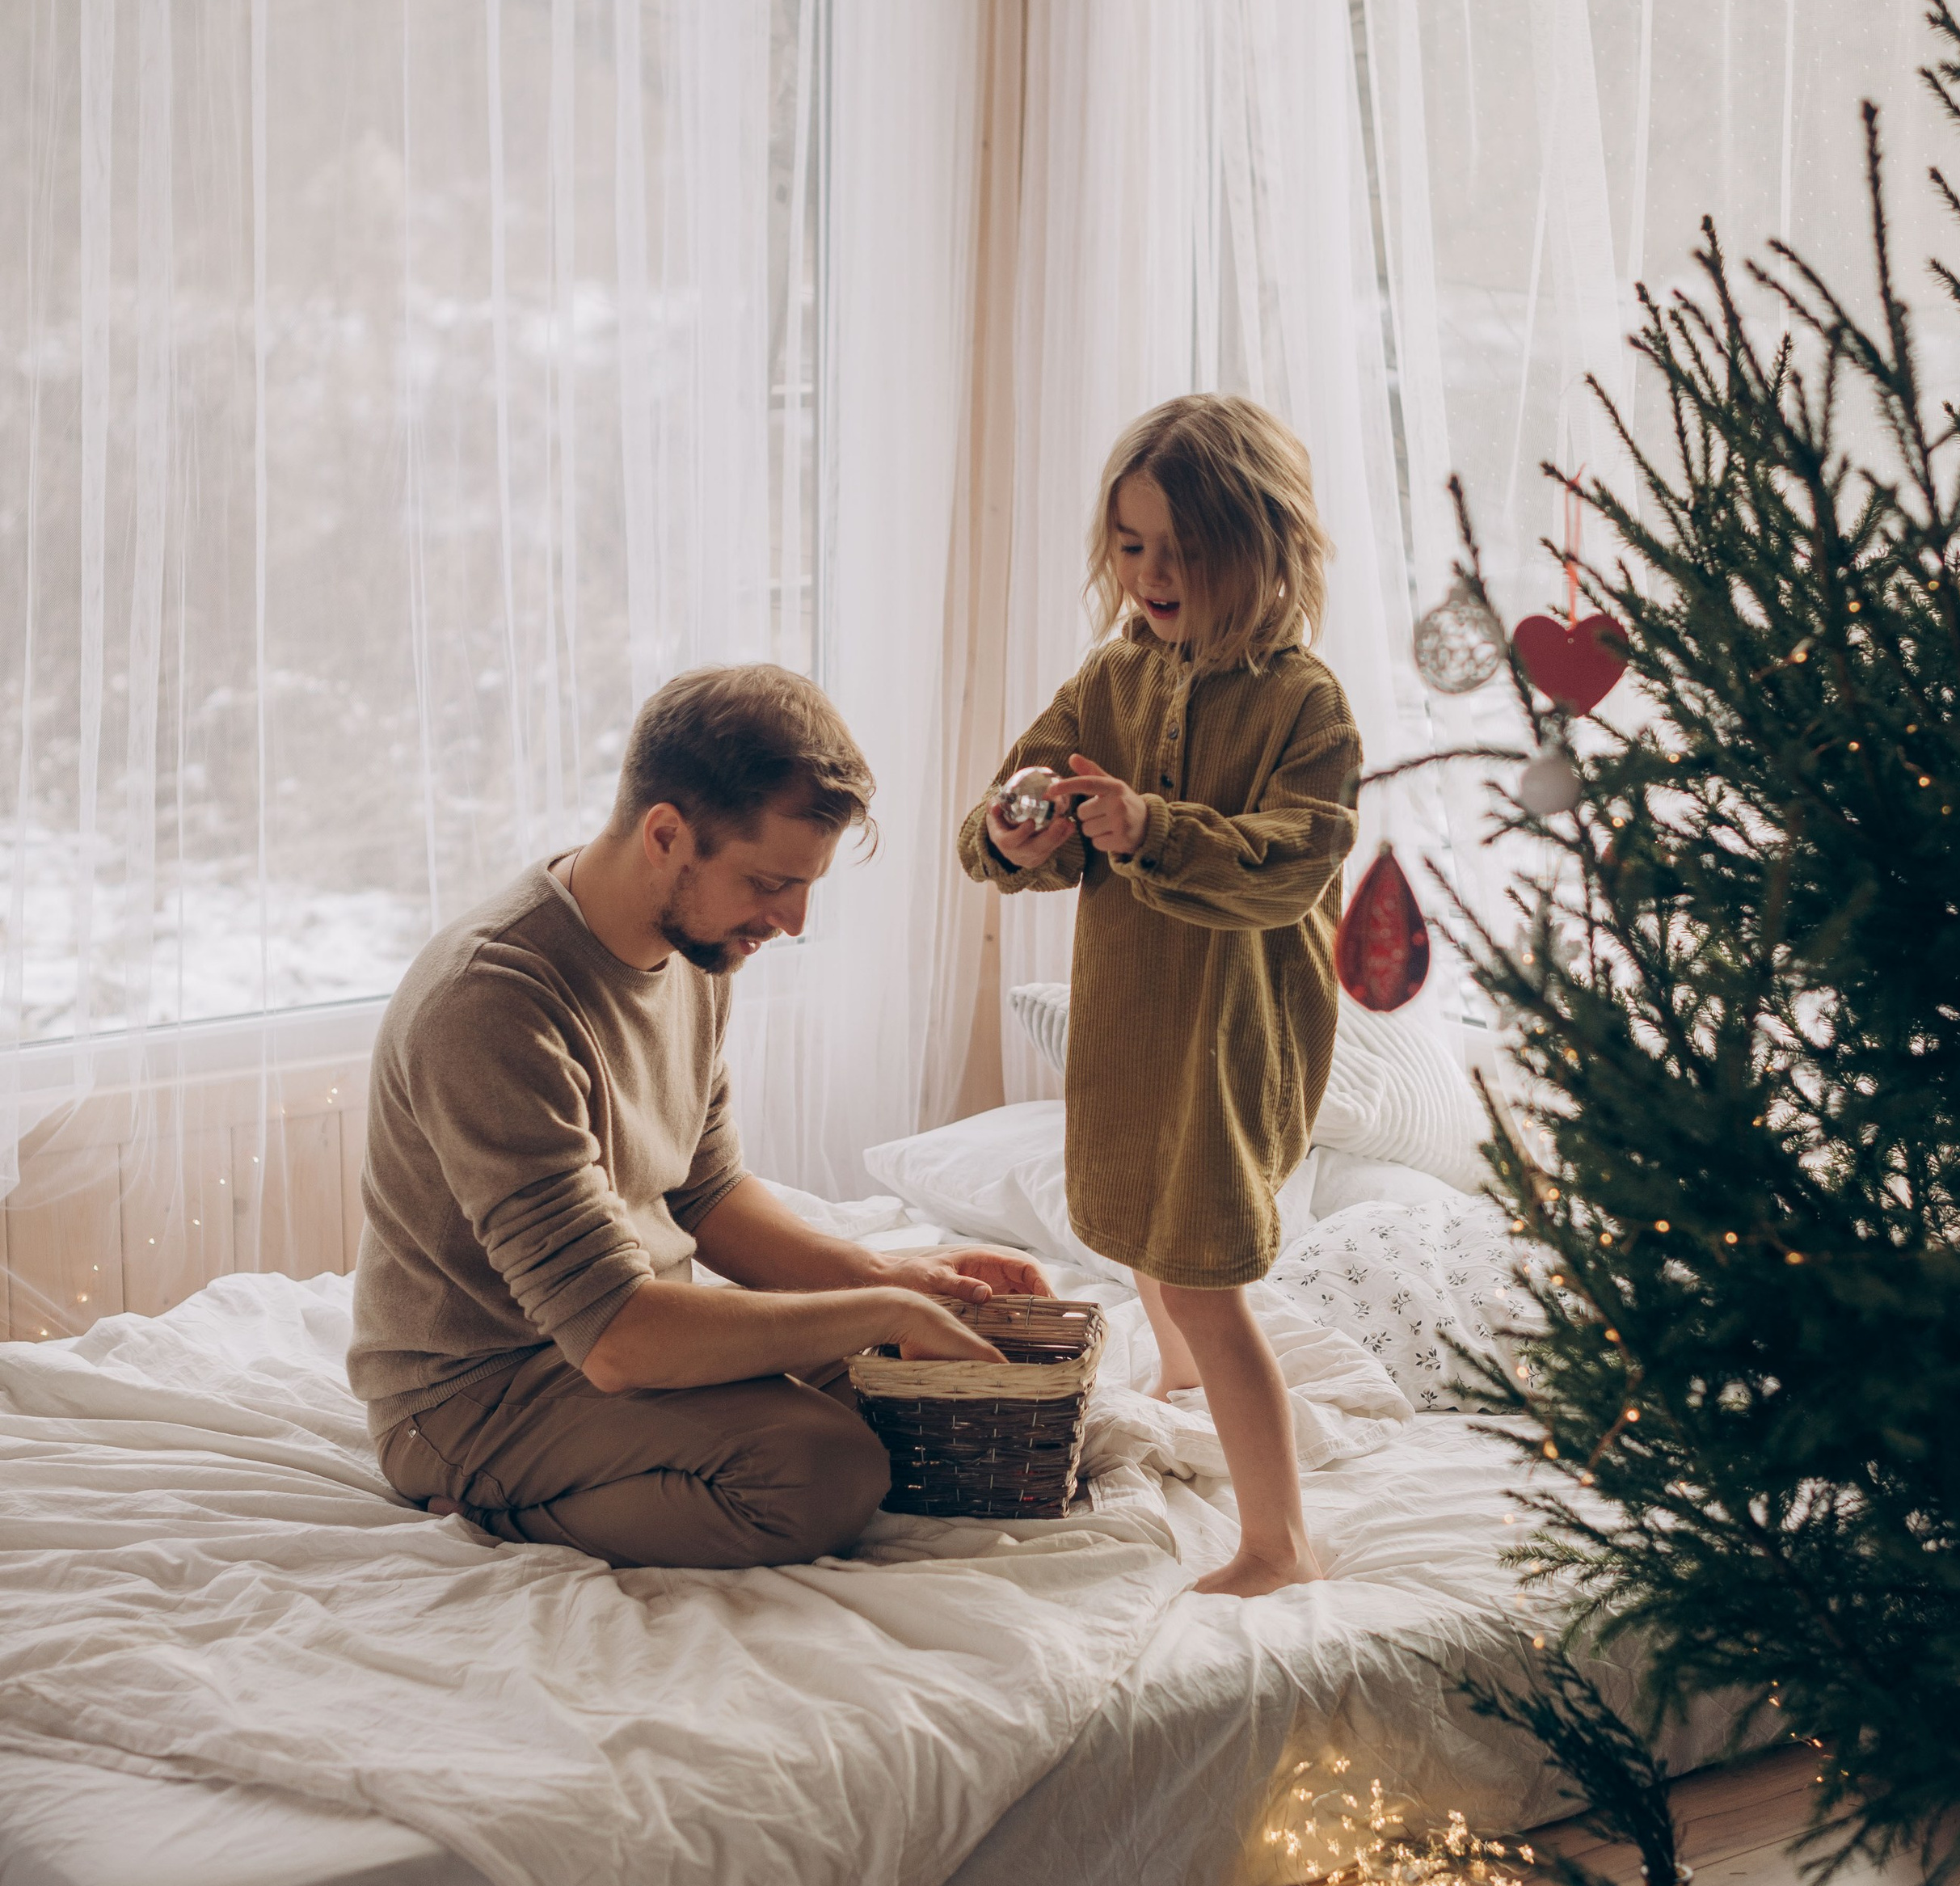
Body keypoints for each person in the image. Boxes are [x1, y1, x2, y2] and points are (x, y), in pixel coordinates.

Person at [350, 665, 1045, 1570]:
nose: (791, 921)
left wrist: (895, 1276)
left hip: (633, 1327)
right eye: (768, 882)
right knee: (823, 1469)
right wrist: (871, 1304)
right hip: (480, 1388)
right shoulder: (491, 1002)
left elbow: (704, 1192)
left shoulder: (699, 949)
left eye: (805, 887)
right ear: (667, 834)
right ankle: (497, 1510)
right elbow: (615, 1340)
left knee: (940, 1384)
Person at [959, 395, 1361, 1598]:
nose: (1154, 571)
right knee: (1137, 1208)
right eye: (1132, 544)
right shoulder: (1113, 676)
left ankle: (1279, 1539)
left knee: (1199, 1256)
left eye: (1185, 545)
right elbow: (1007, 805)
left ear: (1267, 543)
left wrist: (1154, 824)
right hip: (1135, 1013)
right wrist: (1018, 822)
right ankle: (1180, 1373)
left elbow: (1292, 856)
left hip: (1238, 1023)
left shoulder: (1305, 702)